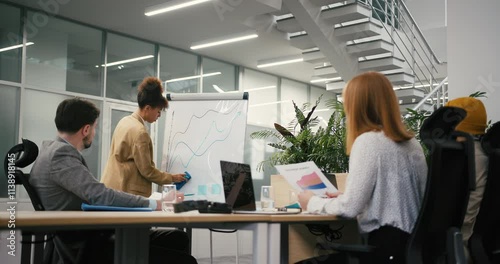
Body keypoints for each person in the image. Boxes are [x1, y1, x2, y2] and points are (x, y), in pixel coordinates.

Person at [30, 97, 196, 264]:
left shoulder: (50, 151)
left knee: (177, 238)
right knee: (185, 260)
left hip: (93, 235)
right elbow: (100, 195)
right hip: (89, 244)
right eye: (94, 128)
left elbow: (94, 195)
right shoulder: (61, 154)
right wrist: (155, 204)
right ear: (86, 129)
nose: (94, 133)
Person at [297, 72, 428, 263]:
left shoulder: (368, 141)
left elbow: (349, 209)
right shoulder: (411, 143)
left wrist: (311, 202)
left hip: (385, 251)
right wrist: (349, 196)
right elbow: (403, 197)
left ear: (356, 106)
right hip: (412, 249)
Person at [101, 76, 185, 197]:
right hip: (126, 190)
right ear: (147, 108)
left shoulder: (124, 121)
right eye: (158, 111)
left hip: (112, 186)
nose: (159, 115)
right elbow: (147, 171)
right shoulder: (140, 132)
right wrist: (171, 178)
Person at [446, 97, 489, 263]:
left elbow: (468, 209)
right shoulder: (485, 151)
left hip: (461, 242)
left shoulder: (471, 157)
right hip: (476, 243)